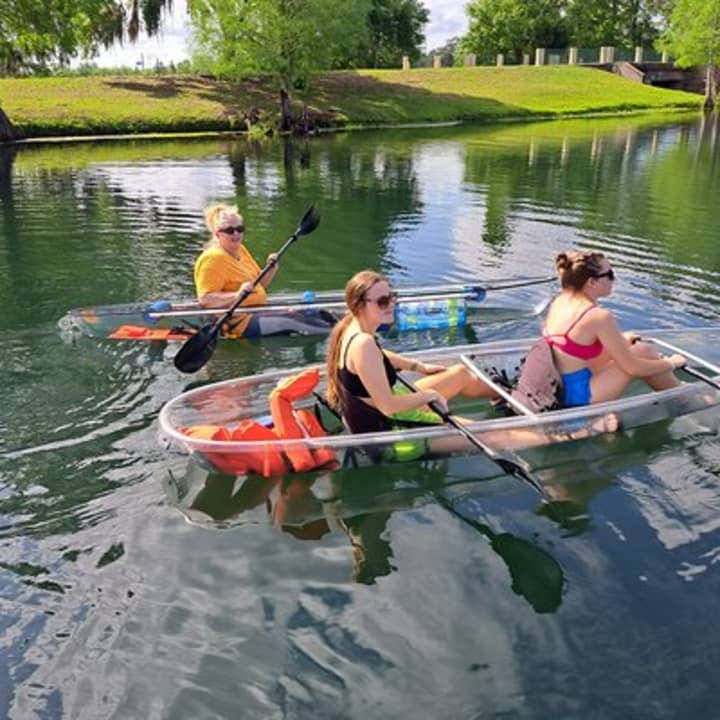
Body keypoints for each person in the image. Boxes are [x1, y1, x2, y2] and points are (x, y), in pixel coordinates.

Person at [325, 269, 498, 458]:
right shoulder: (362, 344)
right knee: (493, 434)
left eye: (392, 297)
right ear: (359, 306)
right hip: (392, 432)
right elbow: (387, 406)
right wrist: (429, 396)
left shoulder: (351, 326)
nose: (391, 304)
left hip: (387, 410)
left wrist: (418, 367)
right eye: (382, 301)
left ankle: (510, 396)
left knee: (459, 373)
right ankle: (535, 435)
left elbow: (380, 356)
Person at [544, 250, 686, 407]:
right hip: (579, 395)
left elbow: (575, 349)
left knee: (642, 350)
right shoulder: (598, 316)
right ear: (592, 282)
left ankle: (677, 391)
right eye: (609, 274)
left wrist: (621, 341)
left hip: (558, 384)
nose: (614, 279)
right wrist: (672, 363)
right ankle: (685, 399)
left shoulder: (560, 301)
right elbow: (633, 368)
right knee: (645, 353)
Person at [193, 203, 278, 337]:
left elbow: (259, 285)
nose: (236, 234)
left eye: (239, 229)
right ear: (217, 234)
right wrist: (236, 295)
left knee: (312, 316)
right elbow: (205, 299)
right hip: (236, 322)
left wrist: (271, 268)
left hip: (257, 311)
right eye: (230, 231)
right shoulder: (213, 259)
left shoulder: (240, 249)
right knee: (303, 324)